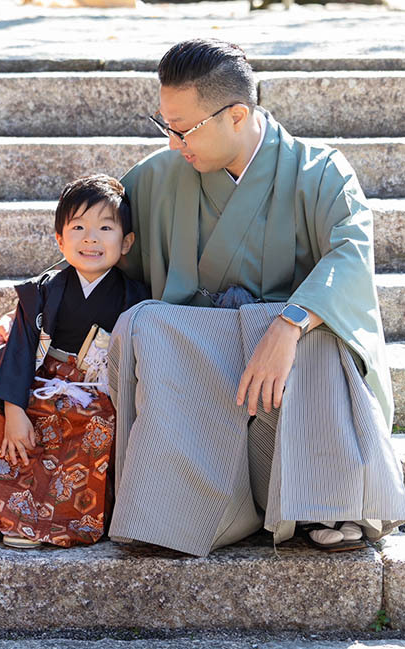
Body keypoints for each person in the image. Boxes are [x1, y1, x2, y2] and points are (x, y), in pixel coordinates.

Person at [108, 39, 405, 556]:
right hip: (201, 358)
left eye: (182, 129)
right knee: (148, 323)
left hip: (292, 370)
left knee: (320, 330)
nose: (173, 142)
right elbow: (95, 253)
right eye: (165, 127)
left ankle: (326, 502)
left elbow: (349, 258)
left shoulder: (319, 172)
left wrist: (289, 325)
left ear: (237, 114)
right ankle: (175, 512)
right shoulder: (156, 178)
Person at [0, 175, 149, 548]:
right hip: (38, 382)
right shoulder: (42, 292)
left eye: (105, 227)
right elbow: (18, 352)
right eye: (78, 227)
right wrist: (15, 410)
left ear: (127, 242)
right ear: (59, 239)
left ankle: (49, 522)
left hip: (94, 390)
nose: (91, 238)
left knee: (100, 424)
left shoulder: (136, 298)